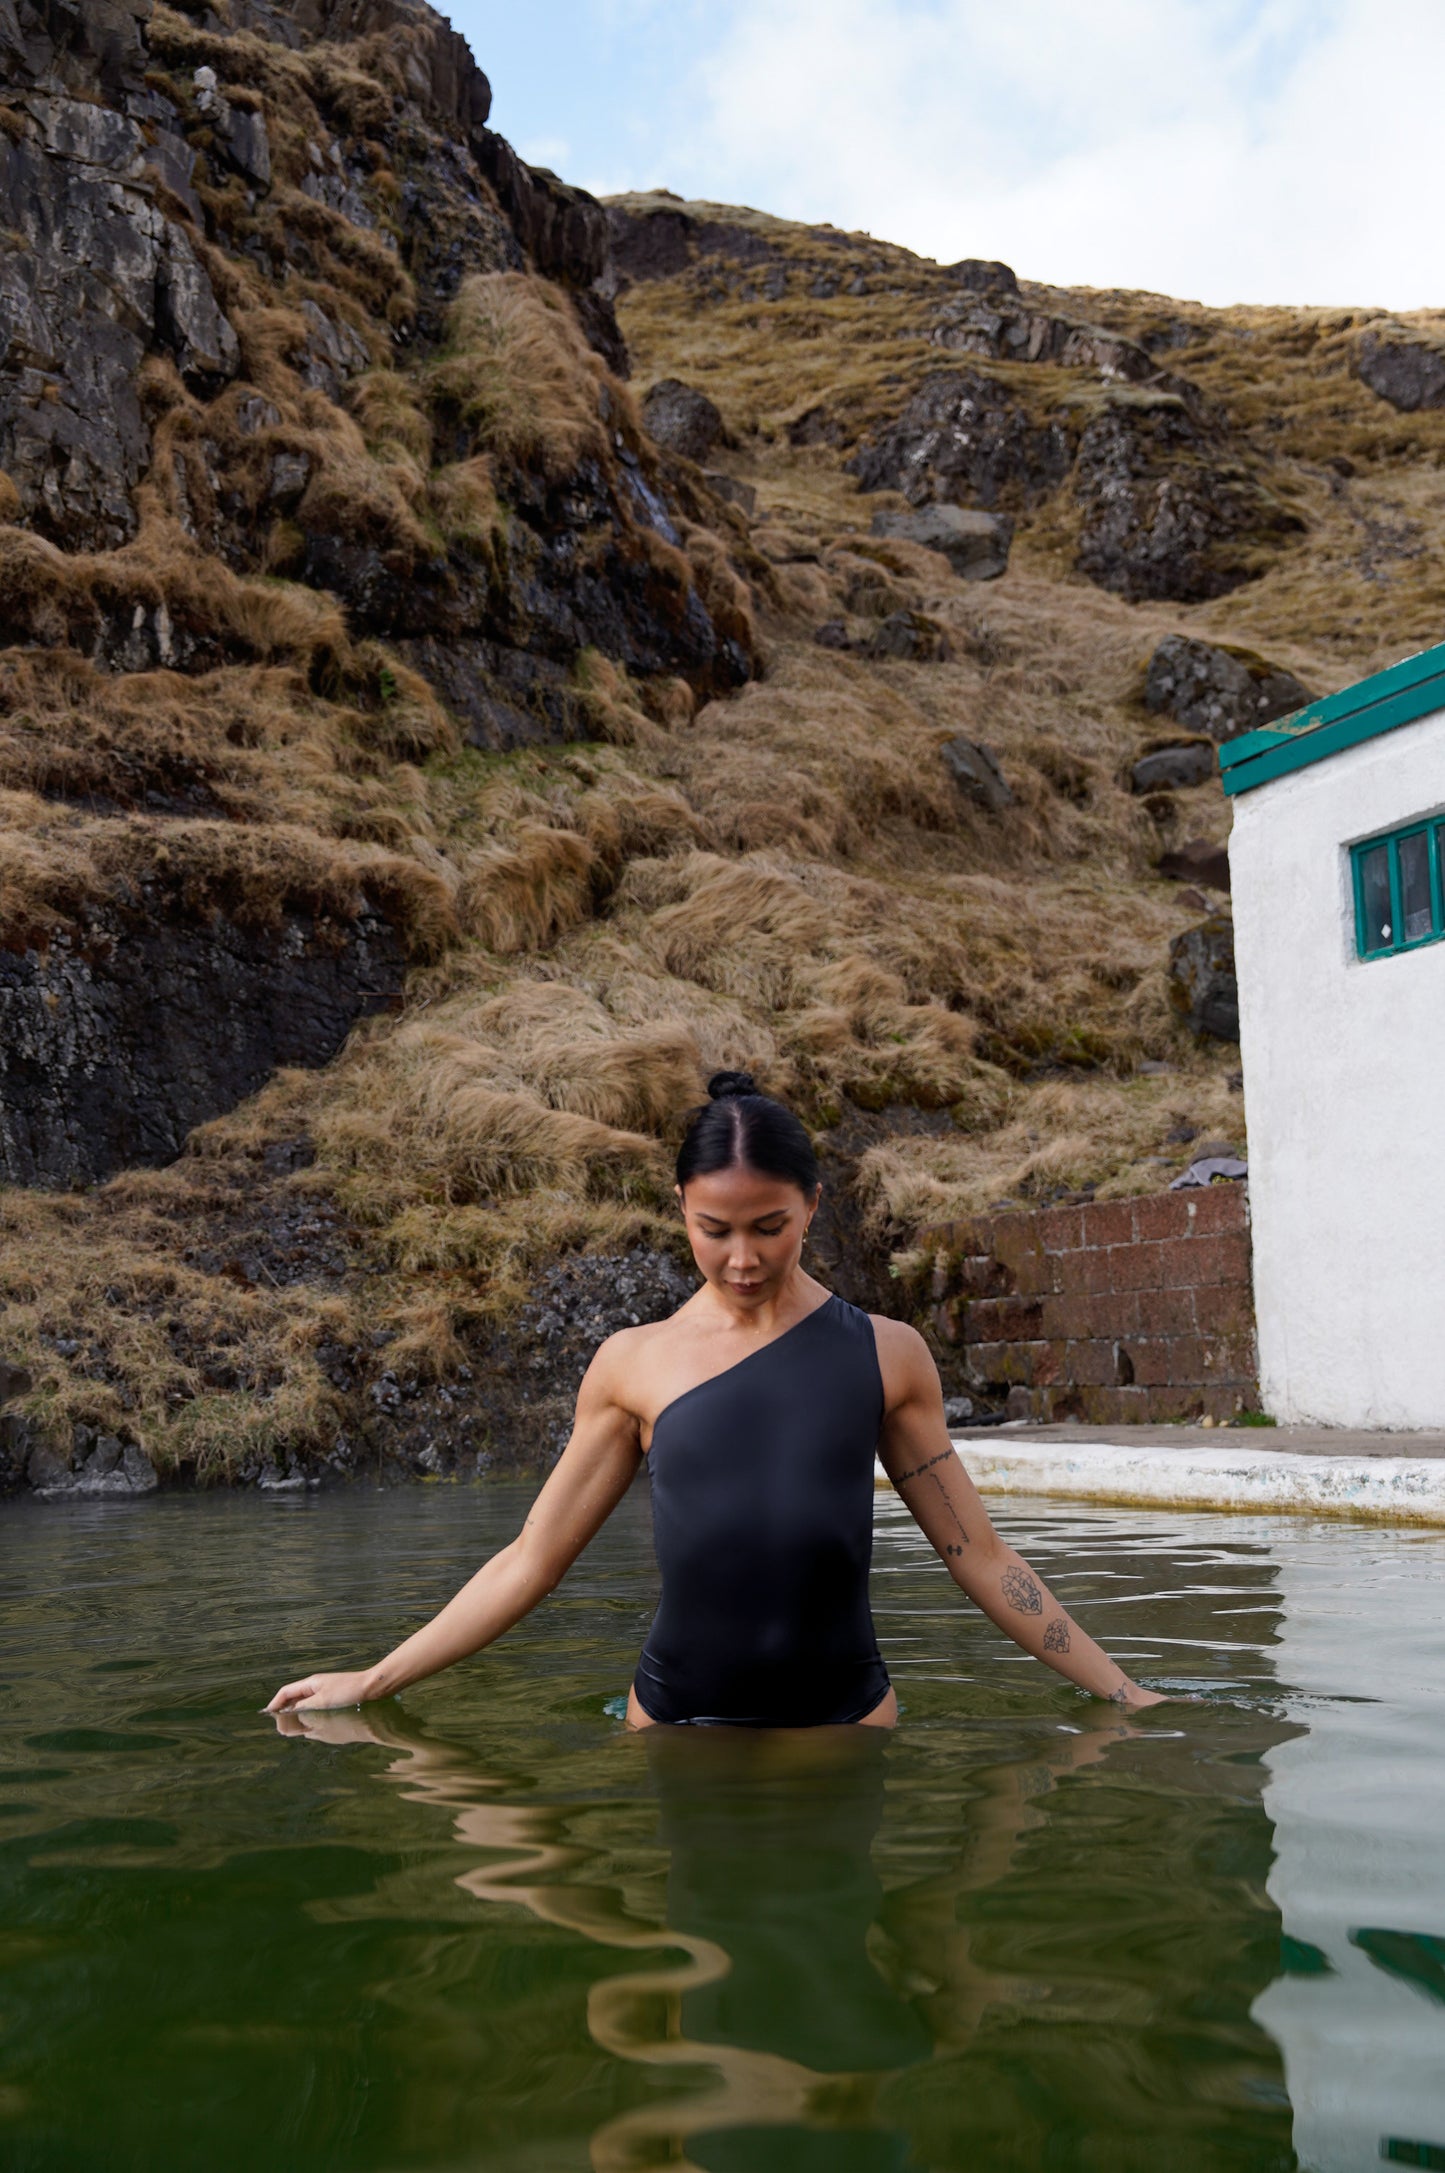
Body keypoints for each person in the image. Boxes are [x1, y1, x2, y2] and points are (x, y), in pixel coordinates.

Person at [267, 1071, 1163, 1725]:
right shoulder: (632, 1364)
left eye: (769, 1227)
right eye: (714, 1229)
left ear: (811, 1205)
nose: (743, 1258)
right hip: (676, 1726)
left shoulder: (887, 1355)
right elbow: (529, 1560)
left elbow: (978, 1555)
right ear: (680, 1210)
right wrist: (374, 1680)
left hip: (843, 1725)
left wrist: (1121, 1690)